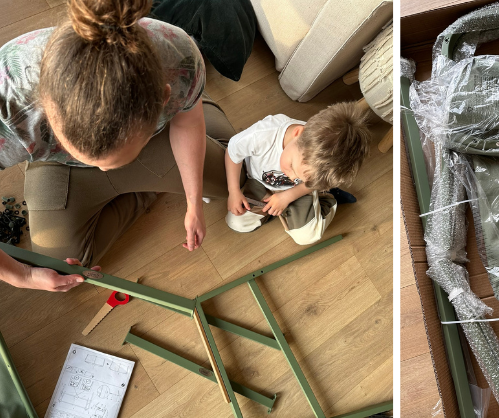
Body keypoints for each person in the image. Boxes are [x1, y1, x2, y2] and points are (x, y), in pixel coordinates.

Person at [0, 0, 236, 267]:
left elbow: (188, 125)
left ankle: (193, 98)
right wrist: (23, 276)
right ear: (45, 109)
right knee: (58, 266)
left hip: (158, 126)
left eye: (110, 162)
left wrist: (194, 204)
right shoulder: (8, 105)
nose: (103, 169)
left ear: (163, 99)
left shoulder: (179, 57)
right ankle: (147, 183)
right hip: (61, 165)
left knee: (236, 178)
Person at [224, 102, 371, 245]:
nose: (293, 177)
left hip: (299, 191)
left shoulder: (312, 161)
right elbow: (232, 152)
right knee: (236, 221)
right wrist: (234, 191)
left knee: (308, 236)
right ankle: (274, 212)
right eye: (292, 168)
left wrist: (289, 196)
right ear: (297, 133)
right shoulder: (262, 135)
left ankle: (327, 197)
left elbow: (311, 184)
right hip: (260, 181)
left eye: (303, 178)